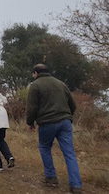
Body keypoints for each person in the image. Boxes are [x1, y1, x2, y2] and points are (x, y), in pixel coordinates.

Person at [26, 64, 82, 193]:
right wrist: (67, 116)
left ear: (35, 73)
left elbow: (32, 107)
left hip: (47, 122)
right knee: (69, 153)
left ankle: (51, 177)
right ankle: (76, 185)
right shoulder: (61, 84)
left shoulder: (35, 85)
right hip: (65, 122)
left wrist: (30, 122)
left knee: (45, 147)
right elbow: (72, 104)